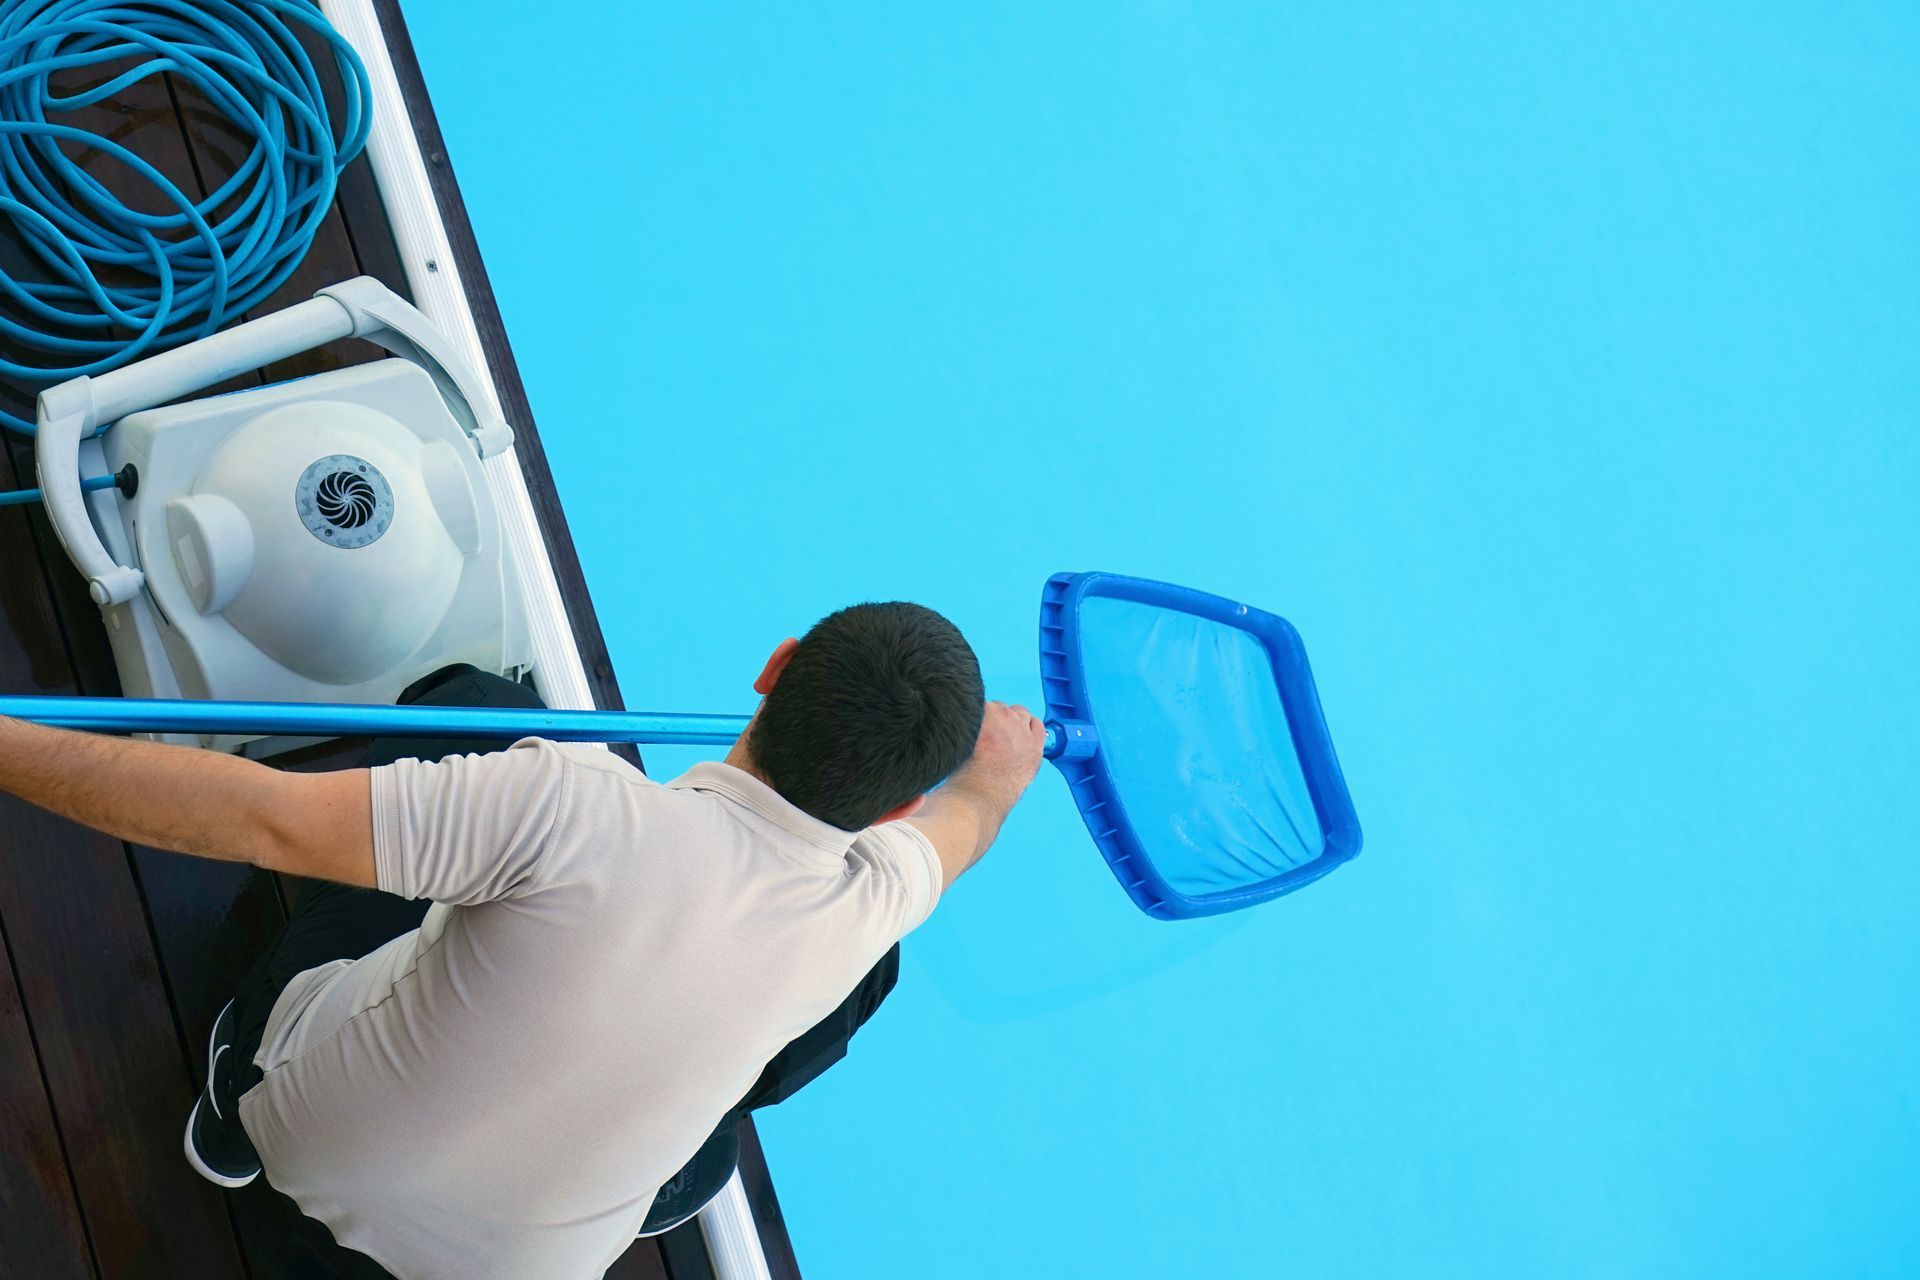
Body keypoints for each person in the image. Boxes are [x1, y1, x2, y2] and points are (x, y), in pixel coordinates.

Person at [0, 601, 1047, 1280]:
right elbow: (966, 828)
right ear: (904, 797)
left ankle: (230, 1114)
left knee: (482, 707)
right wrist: (998, 768)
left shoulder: (569, 802)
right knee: (819, 1023)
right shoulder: (874, 904)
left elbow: (261, 817)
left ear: (773, 666)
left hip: (305, 1157)